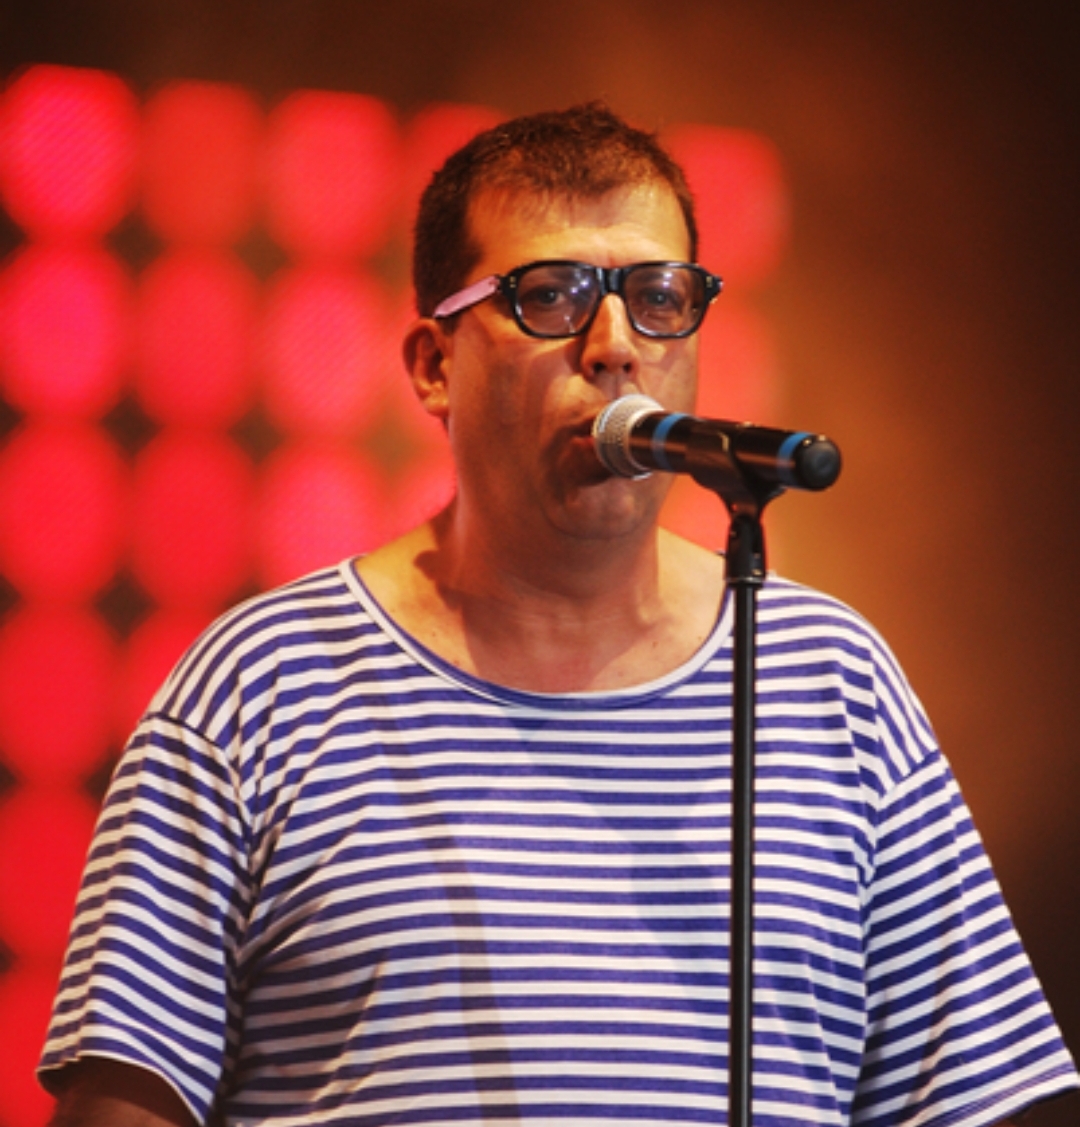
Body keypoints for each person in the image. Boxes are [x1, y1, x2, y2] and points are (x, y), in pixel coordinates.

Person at [39, 104, 1077, 1127]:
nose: (615, 345)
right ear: (434, 365)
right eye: (551, 296)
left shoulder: (828, 675)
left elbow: (983, 1097)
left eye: (659, 296)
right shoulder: (264, 682)